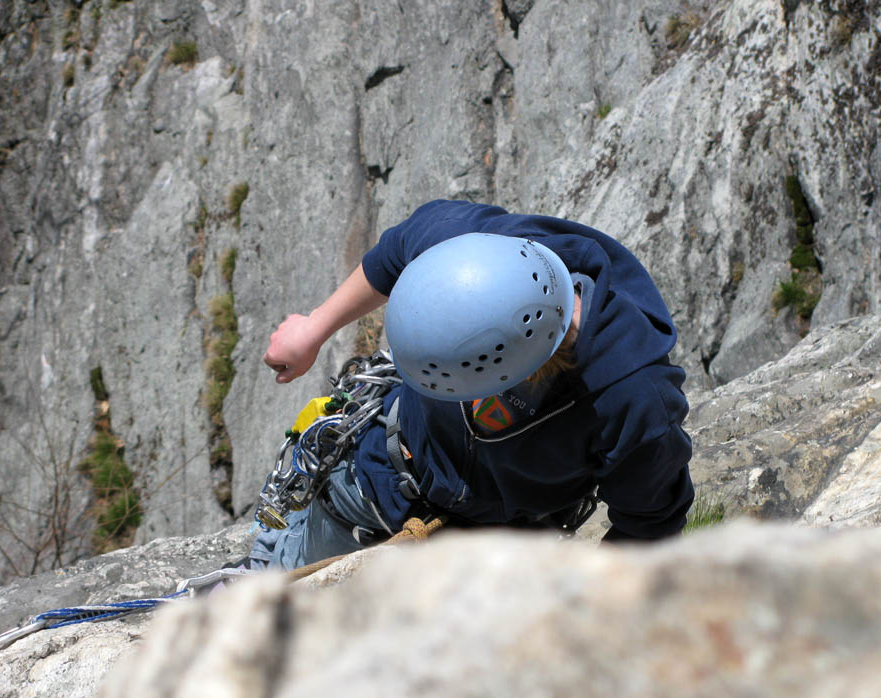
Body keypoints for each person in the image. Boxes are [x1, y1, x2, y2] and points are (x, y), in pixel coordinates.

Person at [249, 199, 693, 570]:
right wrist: (313, 328)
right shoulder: (467, 245)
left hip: (498, 542)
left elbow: (649, 519)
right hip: (377, 481)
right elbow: (396, 251)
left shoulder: (631, 398)